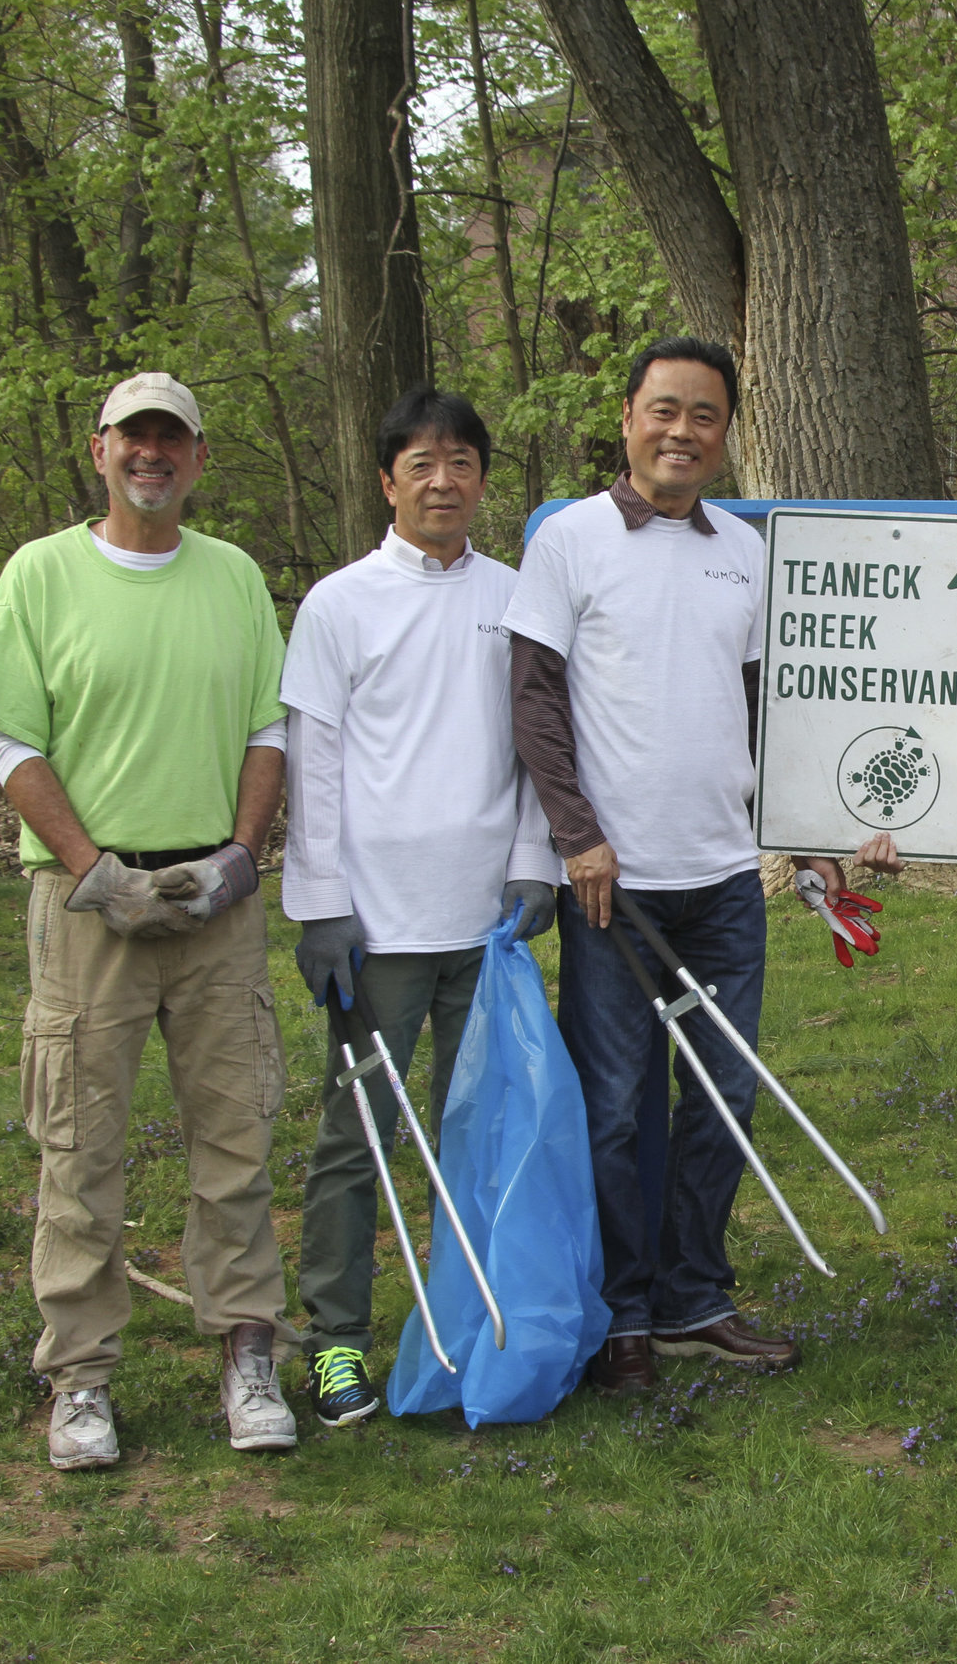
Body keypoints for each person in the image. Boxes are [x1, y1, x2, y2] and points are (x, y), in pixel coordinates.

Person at [507, 335, 873, 1396]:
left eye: (703, 414)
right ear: (626, 418)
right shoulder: (569, 541)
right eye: (662, 409)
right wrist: (576, 833)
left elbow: (772, 707)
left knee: (723, 1098)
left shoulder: (744, 552)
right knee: (615, 1106)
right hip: (610, 882)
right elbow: (533, 700)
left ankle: (694, 1298)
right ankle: (621, 1313)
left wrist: (801, 827)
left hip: (723, 880)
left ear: (725, 433)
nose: (680, 431)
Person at [0, 371, 298, 1470]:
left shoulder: (235, 577)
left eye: (173, 439)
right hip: (87, 908)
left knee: (235, 1137)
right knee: (79, 1144)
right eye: (134, 438)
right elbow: (12, 741)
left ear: (199, 459)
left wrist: (242, 859)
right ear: (99, 451)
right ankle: (80, 1376)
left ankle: (248, 1350)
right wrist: (92, 869)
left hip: (213, 901)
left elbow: (267, 727)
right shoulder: (41, 574)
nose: (152, 455)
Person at [278, 387, 563, 1427]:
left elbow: (542, 739)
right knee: (359, 1139)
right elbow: (314, 757)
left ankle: (482, 1324)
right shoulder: (339, 603)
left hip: (487, 925)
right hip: (379, 927)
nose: (442, 482)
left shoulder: (518, 594)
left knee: (483, 1131)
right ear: (386, 480)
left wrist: (536, 858)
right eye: (421, 465)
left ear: (483, 479)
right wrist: (319, 902)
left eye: (462, 463)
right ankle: (335, 1342)